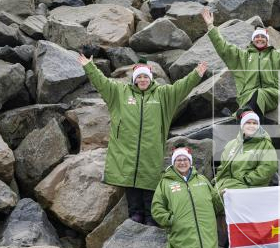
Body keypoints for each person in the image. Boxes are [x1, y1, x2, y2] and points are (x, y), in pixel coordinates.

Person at [78, 54, 207, 226]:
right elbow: (102, 83)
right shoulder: (120, 93)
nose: (143, 79)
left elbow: (180, 87)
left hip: (150, 152)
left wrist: (196, 74)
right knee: (130, 186)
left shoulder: (162, 94)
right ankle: (135, 218)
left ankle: (151, 218)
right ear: (134, 79)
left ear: (151, 78)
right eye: (139, 77)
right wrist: (89, 66)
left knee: (149, 185)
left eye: (146, 76)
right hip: (126, 151)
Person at [201, 7, 280, 121]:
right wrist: (211, 27)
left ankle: (242, 115)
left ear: (267, 40)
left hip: (271, 95)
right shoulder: (243, 57)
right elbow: (223, 48)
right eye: (257, 37)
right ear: (253, 40)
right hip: (247, 96)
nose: (260, 39)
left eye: (263, 37)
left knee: (259, 93)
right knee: (255, 94)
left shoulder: (277, 56)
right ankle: (247, 117)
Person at [151, 147, 223, 248]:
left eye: (185, 160)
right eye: (178, 160)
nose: (182, 162)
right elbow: (157, 208)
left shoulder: (202, 180)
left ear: (190, 162)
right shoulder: (165, 183)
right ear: (173, 163)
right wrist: (170, 220)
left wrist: (222, 197)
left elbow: (216, 205)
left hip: (206, 229)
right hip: (181, 230)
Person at [214, 110, 278, 193]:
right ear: (242, 125)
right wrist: (218, 181)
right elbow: (222, 167)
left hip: (249, 187)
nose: (252, 126)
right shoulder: (231, 144)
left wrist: (245, 179)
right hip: (226, 184)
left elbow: (267, 168)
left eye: (254, 123)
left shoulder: (265, 145)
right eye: (248, 123)